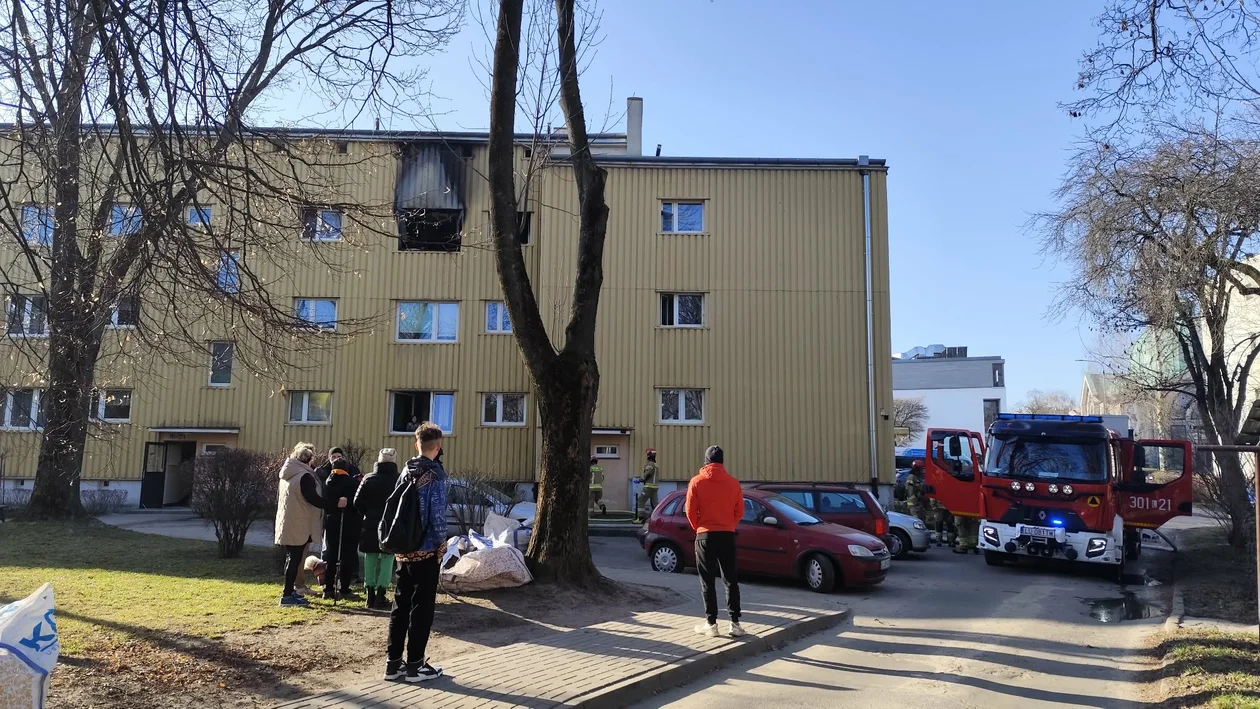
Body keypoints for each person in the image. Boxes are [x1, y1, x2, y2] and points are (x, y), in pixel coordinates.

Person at [386, 422, 448, 683]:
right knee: (422, 608)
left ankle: (393, 664)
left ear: (416, 445)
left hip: (403, 549)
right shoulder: (435, 475)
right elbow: (437, 515)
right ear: (438, 447)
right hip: (426, 550)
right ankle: (415, 665)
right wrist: (441, 545)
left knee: (400, 605)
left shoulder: (405, 471)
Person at [685, 445, 745, 638]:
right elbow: (740, 511)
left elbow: (690, 510)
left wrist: (699, 527)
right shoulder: (733, 483)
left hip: (705, 535)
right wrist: (729, 524)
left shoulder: (696, 481)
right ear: (722, 461)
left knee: (707, 581)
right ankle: (735, 623)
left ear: (706, 461)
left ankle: (711, 624)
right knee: (730, 580)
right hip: (727, 535)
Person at [274, 442, 324, 607]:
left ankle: (290, 591)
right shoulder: (304, 476)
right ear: (309, 459)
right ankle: (287, 595)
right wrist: (334, 504)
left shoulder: (288, 473)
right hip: (300, 524)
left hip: (289, 522)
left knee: (292, 558)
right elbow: (313, 499)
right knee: (295, 559)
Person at [355, 448, 400, 611]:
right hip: (390, 525)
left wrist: (366, 513)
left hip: (370, 523)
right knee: (388, 558)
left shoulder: (368, 478)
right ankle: (381, 594)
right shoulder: (399, 480)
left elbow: (357, 501)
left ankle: (370, 595)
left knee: (370, 557)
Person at [321, 458, 361, 600]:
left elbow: (324, 503)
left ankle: (328, 588)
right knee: (347, 556)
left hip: (331, 522)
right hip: (349, 524)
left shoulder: (327, 482)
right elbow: (358, 503)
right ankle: (344, 588)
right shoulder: (352, 483)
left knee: (332, 555)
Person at [633, 449, 660, 523]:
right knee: (655, 504)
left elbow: (647, 474)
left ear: (648, 455)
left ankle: (641, 518)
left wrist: (640, 480)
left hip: (648, 487)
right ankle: (657, 518)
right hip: (655, 488)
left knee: (641, 501)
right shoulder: (655, 465)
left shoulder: (650, 464)